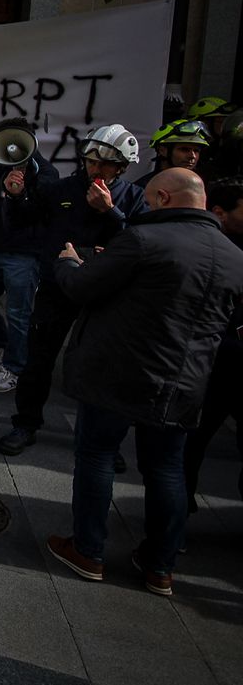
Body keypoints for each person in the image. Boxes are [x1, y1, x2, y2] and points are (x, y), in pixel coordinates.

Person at [45, 169, 243, 597]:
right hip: (184, 382)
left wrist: (70, 263)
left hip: (119, 373)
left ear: (165, 197)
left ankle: (88, 551)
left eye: (152, 201)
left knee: (97, 456)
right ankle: (160, 566)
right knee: (167, 469)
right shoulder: (233, 255)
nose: (148, 207)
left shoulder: (143, 241)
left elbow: (82, 288)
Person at [0, 124, 148, 456]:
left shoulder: (133, 198)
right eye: (91, 162)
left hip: (107, 294)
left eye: (106, 165)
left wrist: (111, 213)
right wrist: (15, 195)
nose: (96, 169)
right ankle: (25, 423)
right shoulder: (61, 189)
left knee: (103, 365)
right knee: (39, 359)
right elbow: (23, 222)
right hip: (57, 288)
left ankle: (103, 439)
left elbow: (141, 243)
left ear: (122, 167)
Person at [0, 119, 59, 393]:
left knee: (19, 313)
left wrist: (19, 197)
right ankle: (7, 346)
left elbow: (38, 213)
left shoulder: (46, 174)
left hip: (25, 255)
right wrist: (3, 193)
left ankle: (15, 368)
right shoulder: (3, 168)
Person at [183, 176, 243, 515]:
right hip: (208, 365)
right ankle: (180, 507)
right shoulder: (206, 250)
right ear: (219, 212)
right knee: (190, 440)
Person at [135, 119, 208, 187]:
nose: (193, 156)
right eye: (184, 149)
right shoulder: (143, 188)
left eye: (196, 150)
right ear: (162, 150)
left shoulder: (203, 186)